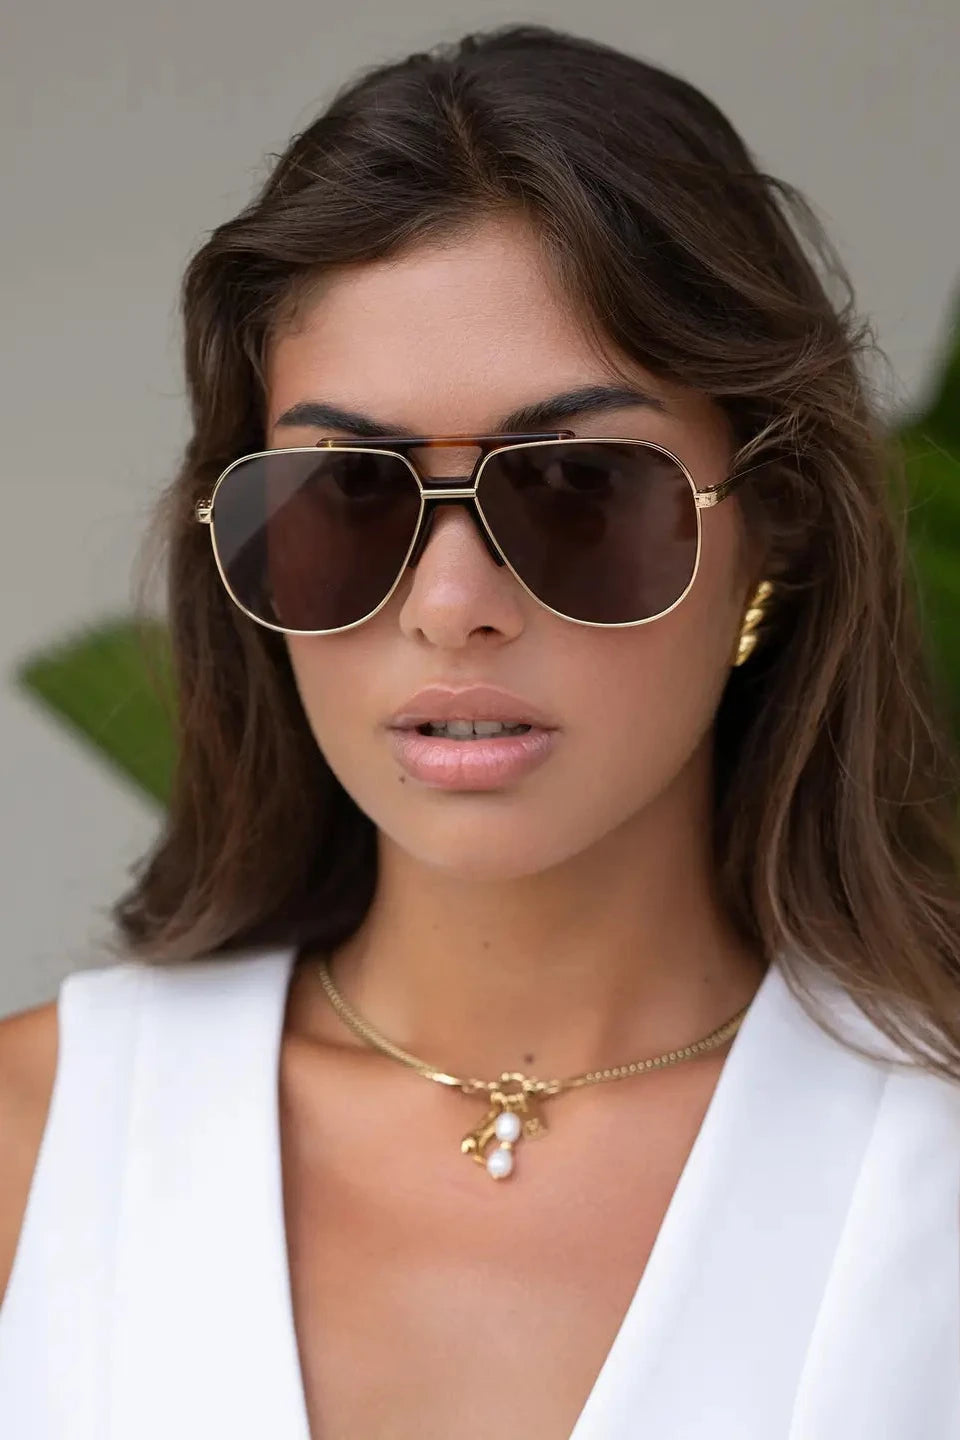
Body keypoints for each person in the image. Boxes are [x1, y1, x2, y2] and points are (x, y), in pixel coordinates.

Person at [1, 22, 958, 1438]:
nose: (453, 608)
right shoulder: (29, 1147)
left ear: (775, 530)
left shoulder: (929, 1155)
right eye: (347, 494)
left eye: (579, 488)